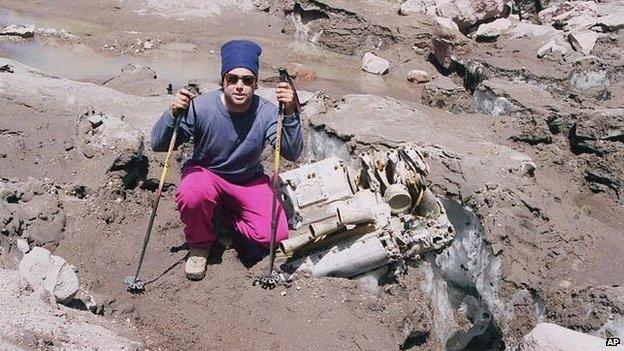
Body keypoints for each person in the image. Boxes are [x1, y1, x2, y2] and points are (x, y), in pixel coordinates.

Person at [151, 39, 303, 280]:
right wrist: (172, 114)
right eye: (232, 79)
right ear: (222, 82)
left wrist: (291, 112)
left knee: (276, 235)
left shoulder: (266, 112)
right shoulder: (200, 107)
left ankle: (223, 218)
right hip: (206, 174)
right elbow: (159, 144)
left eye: (247, 80)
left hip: (248, 180)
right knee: (193, 192)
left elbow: (292, 153)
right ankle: (200, 244)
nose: (239, 86)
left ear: (256, 83)